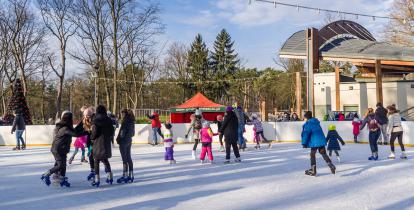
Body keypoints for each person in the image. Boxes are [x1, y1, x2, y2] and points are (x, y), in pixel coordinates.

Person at [41, 111, 85, 187]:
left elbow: (75, 131)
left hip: (62, 149)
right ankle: (46, 174)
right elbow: (76, 134)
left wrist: (82, 122)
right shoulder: (64, 128)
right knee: (60, 165)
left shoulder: (66, 127)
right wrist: (87, 132)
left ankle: (62, 179)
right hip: (58, 149)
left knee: (63, 165)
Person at [301, 111, 336, 176]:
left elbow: (306, 134)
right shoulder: (316, 122)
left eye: (304, 117)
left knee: (312, 155)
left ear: (307, 117)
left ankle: (313, 170)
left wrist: (304, 143)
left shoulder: (308, 124)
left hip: (315, 142)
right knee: (323, 153)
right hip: (321, 140)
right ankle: (331, 165)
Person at [90, 105, 115, 187]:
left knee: (96, 161)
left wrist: (91, 138)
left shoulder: (95, 120)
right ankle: (110, 176)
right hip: (106, 143)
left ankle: (97, 179)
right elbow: (112, 132)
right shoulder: (109, 119)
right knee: (105, 160)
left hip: (98, 143)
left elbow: (94, 132)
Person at [116, 109, 136, 183]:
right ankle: (131, 174)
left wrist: (118, 139)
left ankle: (125, 175)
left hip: (123, 141)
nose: (121, 115)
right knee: (128, 158)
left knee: (124, 159)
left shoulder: (125, 121)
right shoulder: (132, 121)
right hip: (129, 140)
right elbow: (133, 133)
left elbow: (122, 132)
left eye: (122, 113)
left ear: (124, 113)